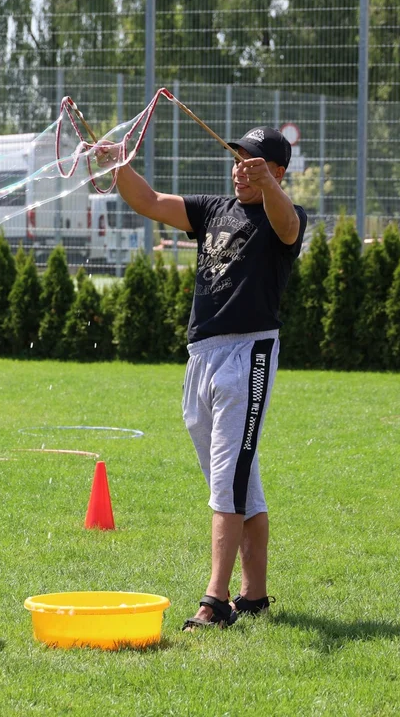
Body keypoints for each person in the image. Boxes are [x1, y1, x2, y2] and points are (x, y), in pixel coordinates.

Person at [114, 127, 307, 630]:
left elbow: (288, 227)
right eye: (239, 158)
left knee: (228, 481)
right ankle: (256, 596)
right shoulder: (212, 209)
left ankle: (216, 601)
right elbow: (150, 201)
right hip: (202, 355)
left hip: (250, 354)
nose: (241, 166)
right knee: (242, 483)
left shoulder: (284, 214)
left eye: (255, 162)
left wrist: (269, 188)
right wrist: (116, 163)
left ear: (277, 172)